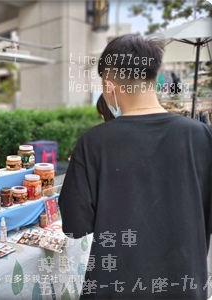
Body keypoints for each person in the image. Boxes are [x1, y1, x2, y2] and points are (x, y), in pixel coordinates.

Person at [58, 34, 212, 299]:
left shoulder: (93, 143)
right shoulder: (204, 136)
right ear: (152, 78)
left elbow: (74, 226)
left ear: (109, 86)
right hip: (185, 286)